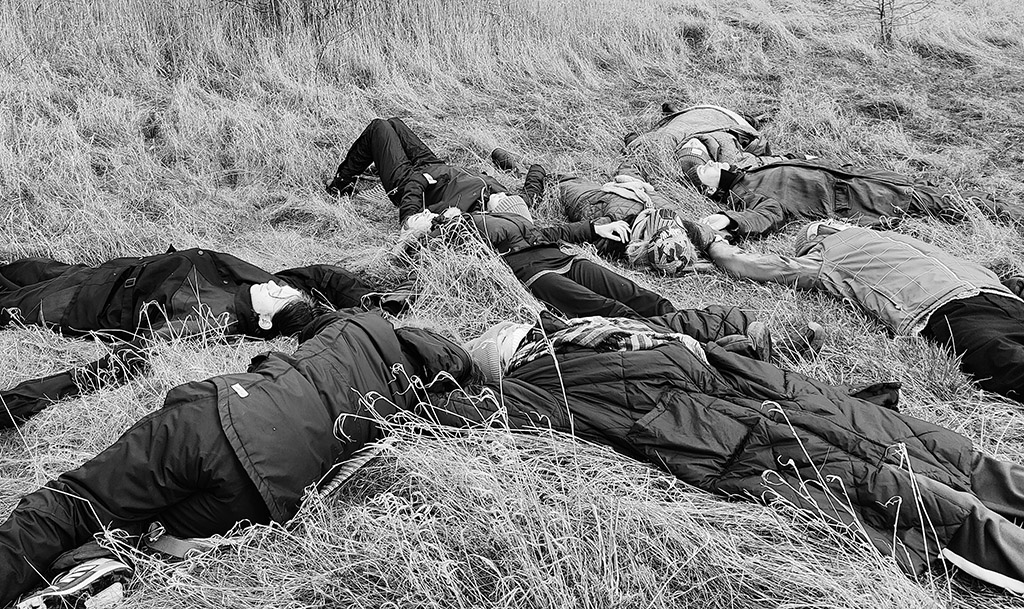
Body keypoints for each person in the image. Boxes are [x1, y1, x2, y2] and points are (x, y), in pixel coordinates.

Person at [0, 306, 815, 606]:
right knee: (142, 531)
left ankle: (47, 557)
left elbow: (289, 348)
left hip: (219, 419)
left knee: (72, 498)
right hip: (265, 493)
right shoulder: (413, 421)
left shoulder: (364, 327)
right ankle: (105, 566)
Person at [449, 312, 1024, 595]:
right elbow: (473, 415)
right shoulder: (556, 377)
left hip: (765, 405)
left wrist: (753, 332)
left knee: (926, 465)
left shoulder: (598, 336)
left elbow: (696, 326)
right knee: (909, 491)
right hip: (752, 433)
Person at [0, 248, 374, 427]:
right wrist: (369, 307)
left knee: (9, 302)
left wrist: (20, 401)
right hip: (109, 270)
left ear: (263, 321)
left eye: (278, 295)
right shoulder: (262, 284)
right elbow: (323, 276)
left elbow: (139, 353)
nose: (276, 285)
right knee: (21, 268)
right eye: (282, 287)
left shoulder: (213, 319)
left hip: (86, 301)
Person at [686, 219, 1024, 402]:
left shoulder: (829, 255)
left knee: (1003, 363)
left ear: (815, 242)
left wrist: (714, 244)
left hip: (948, 307)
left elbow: (750, 266)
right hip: (1003, 297)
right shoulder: (898, 239)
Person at [683, 157, 1017, 240]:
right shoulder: (746, 193)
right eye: (704, 172)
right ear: (712, 190)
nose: (710, 164)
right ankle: (1010, 213)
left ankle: (1002, 207)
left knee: (944, 195)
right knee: (950, 203)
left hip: (867, 180)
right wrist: (731, 220)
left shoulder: (750, 171)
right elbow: (768, 215)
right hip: (864, 197)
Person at [326, 117, 542, 230]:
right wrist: (538, 169)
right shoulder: (512, 203)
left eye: (501, 200)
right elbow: (530, 193)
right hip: (435, 165)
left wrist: (417, 184)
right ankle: (377, 161)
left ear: (493, 213)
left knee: (379, 127)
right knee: (395, 123)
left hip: (406, 180)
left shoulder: (462, 212)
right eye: (506, 196)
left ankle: (340, 182)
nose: (502, 194)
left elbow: (410, 215)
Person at [617, 103, 790, 180]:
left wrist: (633, 141)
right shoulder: (726, 153)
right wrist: (797, 157)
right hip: (726, 117)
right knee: (743, 129)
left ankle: (674, 113)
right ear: (707, 157)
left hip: (697, 114)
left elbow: (634, 144)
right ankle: (755, 119)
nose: (692, 144)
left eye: (688, 147)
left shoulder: (662, 142)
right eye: (696, 149)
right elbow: (763, 161)